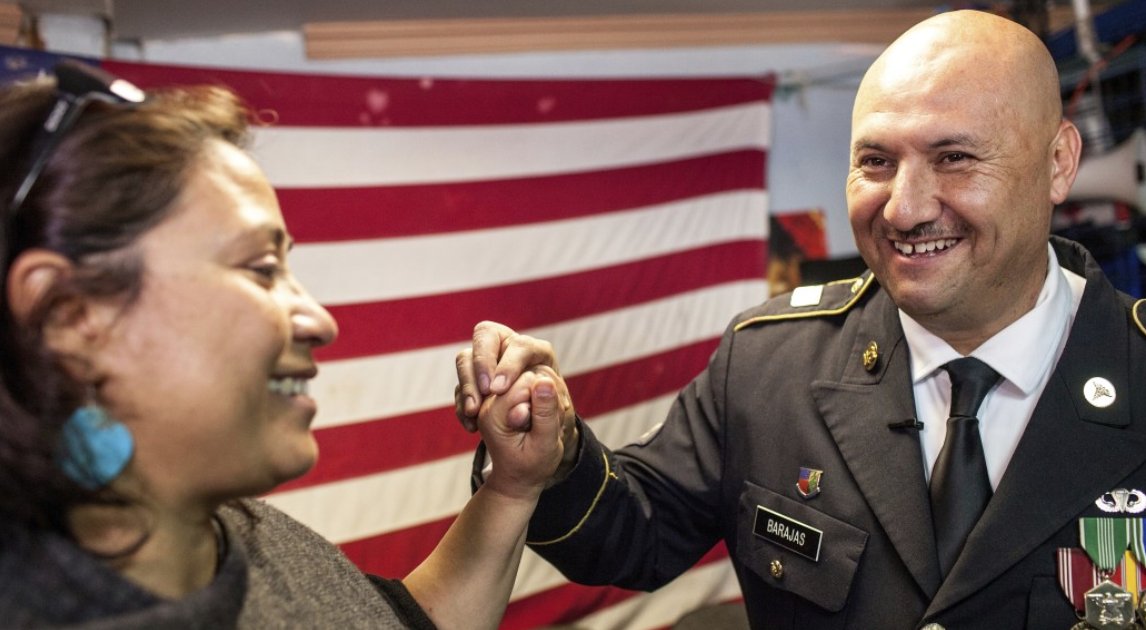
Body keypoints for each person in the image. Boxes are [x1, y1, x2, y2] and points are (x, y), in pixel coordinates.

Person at [455, 10, 1146, 629]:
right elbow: (635, 532)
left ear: (1058, 163)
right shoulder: (768, 364)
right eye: (875, 161)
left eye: (954, 158)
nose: (904, 209)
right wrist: (553, 456)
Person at [0, 60, 561, 629]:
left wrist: (512, 488)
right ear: (70, 315)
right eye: (263, 268)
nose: (320, 320)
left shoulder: (236, 529)